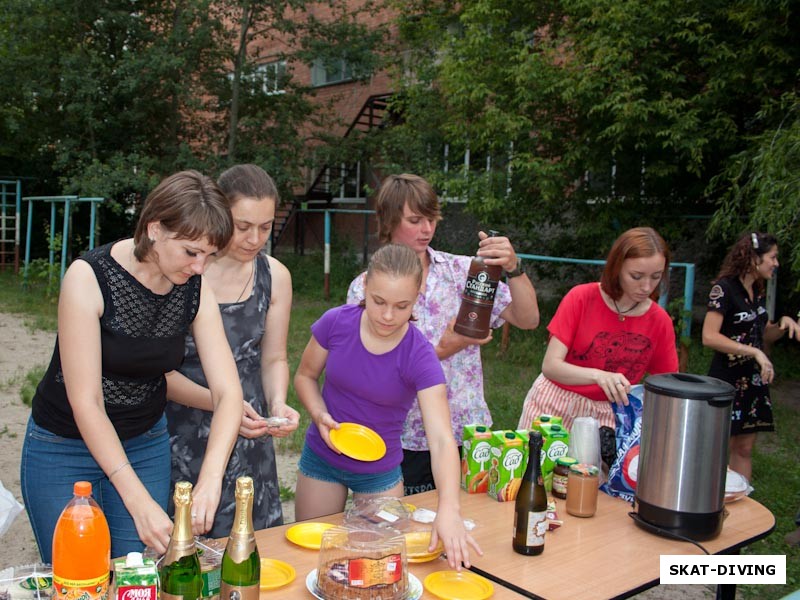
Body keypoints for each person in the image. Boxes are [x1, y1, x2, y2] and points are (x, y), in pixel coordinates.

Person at [20, 170, 244, 562]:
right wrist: (137, 500)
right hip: (63, 445)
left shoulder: (194, 287)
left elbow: (228, 392)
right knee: (76, 573)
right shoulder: (88, 278)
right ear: (155, 229)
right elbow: (87, 402)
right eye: (191, 251)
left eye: (210, 256)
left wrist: (210, 479)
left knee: (135, 574)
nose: (200, 267)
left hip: (144, 442)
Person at [347, 173, 539, 495]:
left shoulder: (463, 271)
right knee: (402, 531)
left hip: (466, 435)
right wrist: (443, 349)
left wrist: (514, 268)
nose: (427, 229)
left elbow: (528, 319)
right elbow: (365, 370)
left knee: (467, 528)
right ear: (389, 220)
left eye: (431, 219)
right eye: (415, 220)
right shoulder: (366, 288)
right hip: (400, 437)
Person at [295, 243, 482, 569]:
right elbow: (305, 376)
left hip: (379, 477)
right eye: (378, 301)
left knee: (374, 570)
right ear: (364, 285)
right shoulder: (336, 323)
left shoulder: (419, 355)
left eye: (401, 306)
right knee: (312, 563)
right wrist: (318, 413)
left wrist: (448, 509)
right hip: (323, 460)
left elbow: (440, 439)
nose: (387, 315)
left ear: (418, 295)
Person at [165, 164, 299, 538]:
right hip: (182, 429)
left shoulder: (276, 277)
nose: (255, 239)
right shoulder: (183, 272)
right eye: (243, 226)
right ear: (219, 215)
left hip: (250, 429)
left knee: (249, 554)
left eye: (266, 227)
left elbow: (273, 357)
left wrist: (276, 403)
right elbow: (157, 373)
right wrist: (221, 404)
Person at [518, 227, 678, 432]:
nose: (647, 287)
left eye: (656, 276)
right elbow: (551, 366)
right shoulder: (581, 298)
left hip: (612, 416)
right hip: (553, 406)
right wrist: (599, 376)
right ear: (616, 268)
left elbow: (667, 387)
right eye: (636, 276)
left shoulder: (660, 321)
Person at [701, 232, 800, 481]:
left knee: (744, 448)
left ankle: (741, 505)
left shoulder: (756, 289)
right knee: (715, 450)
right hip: (726, 379)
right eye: (773, 257)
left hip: (753, 380)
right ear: (754, 258)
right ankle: (710, 504)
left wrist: (784, 324)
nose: (776, 264)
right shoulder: (724, 289)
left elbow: (763, 334)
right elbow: (709, 337)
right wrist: (754, 351)